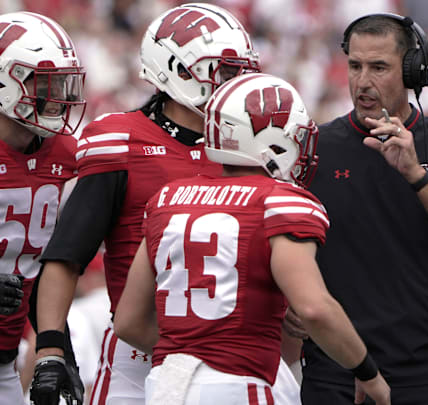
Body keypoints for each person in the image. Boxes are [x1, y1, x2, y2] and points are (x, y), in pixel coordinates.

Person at [30, 4, 261, 405]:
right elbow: (68, 254)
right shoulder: (121, 140)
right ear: (176, 68)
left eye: (240, 70)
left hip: (229, 354)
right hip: (137, 356)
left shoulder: (249, 145)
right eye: (223, 70)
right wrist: (50, 350)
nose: (234, 82)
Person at [113, 72, 391, 405]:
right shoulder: (279, 201)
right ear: (271, 141)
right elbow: (314, 308)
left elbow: (128, 321)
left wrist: (192, 357)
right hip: (238, 384)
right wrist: (367, 372)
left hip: (165, 383)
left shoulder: (167, 199)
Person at [301, 13, 428, 404]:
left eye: (379, 67)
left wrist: (415, 174)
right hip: (337, 373)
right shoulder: (313, 147)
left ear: (412, 72)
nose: (363, 80)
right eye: (355, 66)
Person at [0, 11, 87, 405]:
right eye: (43, 81)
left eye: (62, 82)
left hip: (6, 357)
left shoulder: (65, 154)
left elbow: (46, 268)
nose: (59, 94)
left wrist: (56, 349)